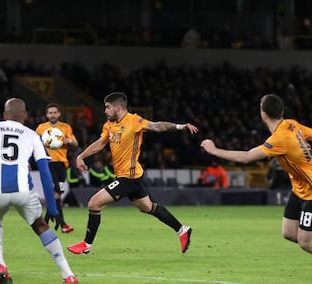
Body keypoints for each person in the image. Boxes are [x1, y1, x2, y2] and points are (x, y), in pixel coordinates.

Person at [67, 92, 198, 255]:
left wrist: (179, 126)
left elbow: (157, 126)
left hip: (128, 178)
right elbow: (101, 143)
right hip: (132, 177)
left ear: (118, 107)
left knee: (94, 203)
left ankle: (86, 244)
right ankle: (182, 230)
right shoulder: (109, 125)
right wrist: (81, 156)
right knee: (147, 207)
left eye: (108, 107)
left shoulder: (134, 121)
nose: (105, 111)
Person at [0, 98, 78, 284]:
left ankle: (0, 263)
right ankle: (68, 275)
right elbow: (44, 172)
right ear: (25, 116)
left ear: (3, 115)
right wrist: (51, 206)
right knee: (40, 225)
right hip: (23, 192)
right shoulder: (32, 135)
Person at [200, 94, 312, 255]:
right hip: (299, 189)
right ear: (282, 112)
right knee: (289, 233)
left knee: (306, 242)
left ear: (263, 114)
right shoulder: (291, 124)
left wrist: (214, 151)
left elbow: (246, 157)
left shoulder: (279, 139)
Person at [36, 103, 78, 233]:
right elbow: (33, 143)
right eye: (50, 113)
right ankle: (63, 224)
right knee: (56, 192)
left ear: (59, 114)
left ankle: (44, 222)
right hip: (47, 163)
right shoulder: (41, 128)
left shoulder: (65, 127)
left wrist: (68, 141)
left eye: (55, 112)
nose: (52, 115)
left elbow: (76, 143)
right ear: (47, 114)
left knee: (58, 194)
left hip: (62, 164)